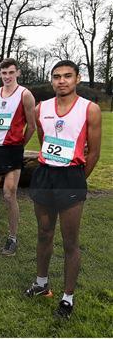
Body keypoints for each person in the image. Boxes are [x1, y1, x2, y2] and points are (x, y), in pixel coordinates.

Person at [25, 60, 101, 320]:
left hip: (71, 176)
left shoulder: (90, 110)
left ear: (77, 78)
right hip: (45, 175)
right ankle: (41, 283)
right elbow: (44, 141)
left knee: (70, 242)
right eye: (57, 76)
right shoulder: (41, 108)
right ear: (52, 80)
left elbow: (94, 153)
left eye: (68, 76)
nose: (62, 81)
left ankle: (67, 297)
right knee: (44, 233)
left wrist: (77, 179)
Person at [0, 58, 36, 256]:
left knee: (9, 194)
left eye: (11, 72)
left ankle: (12, 238)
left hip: (13, 150)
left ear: (17, 72)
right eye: (4, 73)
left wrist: (19, 145)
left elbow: (32, 126)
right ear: (0, 74)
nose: (7, 77)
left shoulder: (25, 95)